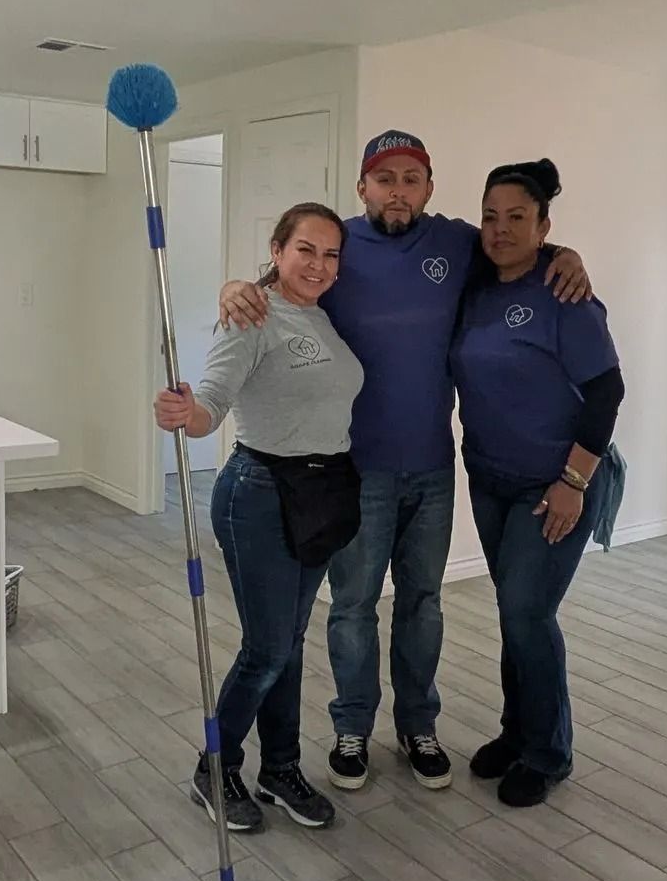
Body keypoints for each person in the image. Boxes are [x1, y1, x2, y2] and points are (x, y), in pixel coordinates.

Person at [218, 131, 591, 797]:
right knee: (354, 604)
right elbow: (275, 284)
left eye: (411, 177)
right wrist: (235, 286)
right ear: (362, 187)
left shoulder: (451, 243)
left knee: (422, 603)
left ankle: (419, 725)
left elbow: (516, 247)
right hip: (352, 471)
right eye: (383, 177)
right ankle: (352, 728)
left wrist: (567, 253)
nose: (397, 189)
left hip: (432, 467)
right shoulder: (337, 249)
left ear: (428, 186)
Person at [155, 202, 360, 834]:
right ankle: (214, 769)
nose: (319, 264)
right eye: (306, 249)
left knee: (288, 646)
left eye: (331, 254)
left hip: (318, 496)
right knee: (268, 648)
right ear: (277, 250)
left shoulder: (323, 316)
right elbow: (211, 403)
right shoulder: (251, 316)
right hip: (259, 493)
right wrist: (185, 414)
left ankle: (280, 768)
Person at [452, 158, 624, 807]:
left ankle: (549, 751)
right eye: (490, 216)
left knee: (527, 611)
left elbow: (607, 391)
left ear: (543, 224)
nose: (500, 229)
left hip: (555, 483)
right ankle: (515, 730)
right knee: (513, 611)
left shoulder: (566, 293)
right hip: (490, 476)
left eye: (517, 217)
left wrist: (574, 482)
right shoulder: (473, 285)